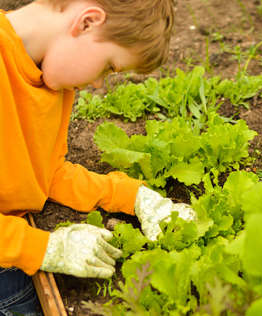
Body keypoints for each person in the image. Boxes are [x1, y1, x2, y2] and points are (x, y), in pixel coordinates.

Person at [0, 0, 196, 314]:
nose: (98, 83)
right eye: (108, 66)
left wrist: (135, 197)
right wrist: (43, 247)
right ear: (88, 22)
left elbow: (46, 172)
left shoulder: (51, 77)